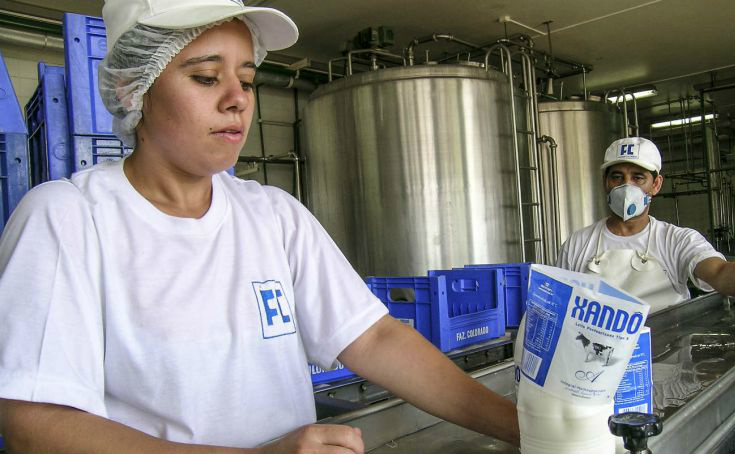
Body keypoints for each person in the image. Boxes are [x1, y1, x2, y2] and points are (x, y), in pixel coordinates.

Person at [0, 1, 519, 453]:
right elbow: (35, 425)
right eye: (206, 78)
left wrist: (527, 429)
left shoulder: (273, 214)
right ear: (131, 87)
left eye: (246, 79)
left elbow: (378, 339)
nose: (238, 99)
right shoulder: (69, 219)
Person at [556, 136, 735, 312]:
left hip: (667, 363)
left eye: (638, 177)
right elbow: (558, 306)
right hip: (597, 366)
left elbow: (720, 272)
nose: (626, 186)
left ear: (656, 185)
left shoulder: (676, 240)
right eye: (617, 176)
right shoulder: (578, 244)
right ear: (605, 182)